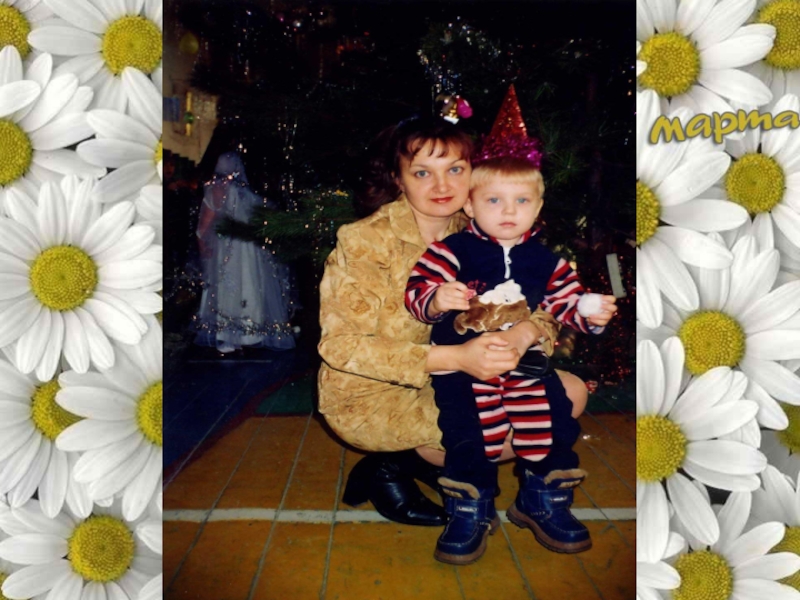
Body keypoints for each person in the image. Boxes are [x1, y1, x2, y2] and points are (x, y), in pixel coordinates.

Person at [317, 118, 589, 527]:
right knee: (476, 426)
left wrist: (525, 333)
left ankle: (516, 492)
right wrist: (457, 358)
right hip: (377, 393)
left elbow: (545, 302)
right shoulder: (364, 241)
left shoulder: (484, 227)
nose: (442, 185)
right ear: (398, 179)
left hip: (462, 378)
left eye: (455, 169)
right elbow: (340, 346)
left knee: (569, 392)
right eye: (422, 173)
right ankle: (391, 465)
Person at [405, 157, 617, 563]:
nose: (508, 211)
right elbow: (417, 291)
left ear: (538, 207)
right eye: (494, 200)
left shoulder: (547, 260)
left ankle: (543, 498)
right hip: (463, 366)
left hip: (526, 363)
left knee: (553, 418)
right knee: (467, 431)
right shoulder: (451, 250)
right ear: (470, 206)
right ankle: (471, 507)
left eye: (521, 200)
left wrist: (590, 314)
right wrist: (435, 299)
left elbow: (564, 304)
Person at [194, 151, 295, 352]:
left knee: (227, 286)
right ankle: (250, 333)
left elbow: (204, 225)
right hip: (248, 250)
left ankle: (228, 335)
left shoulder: (215, 190)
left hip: (226, 248)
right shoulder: (246, 193)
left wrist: (202, 244)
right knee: (249, 283)